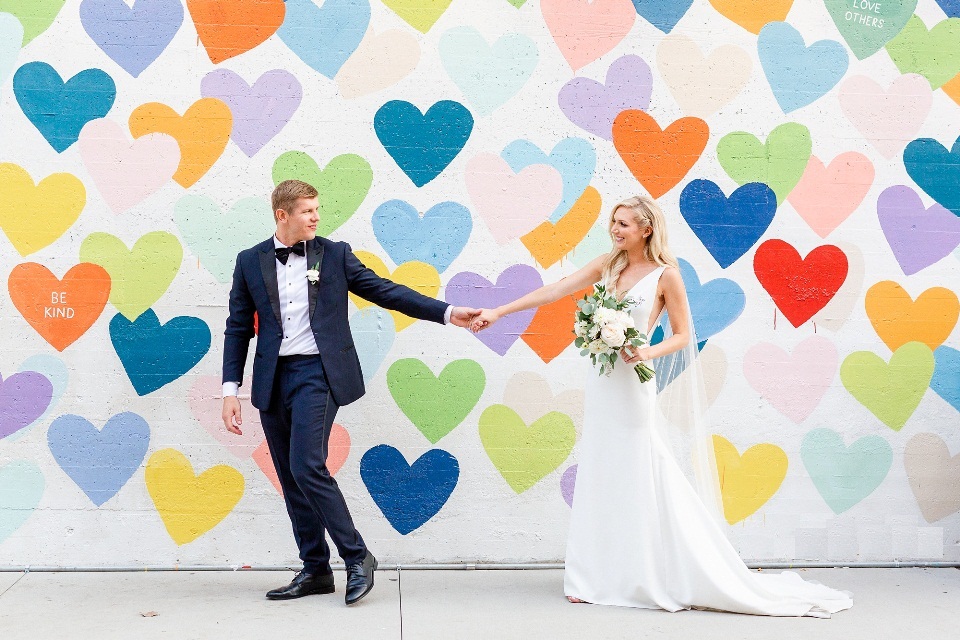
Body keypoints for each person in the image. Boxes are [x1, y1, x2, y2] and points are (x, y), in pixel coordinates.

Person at [471, 195, 853, 617]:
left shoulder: (666, 276)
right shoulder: (608, 264)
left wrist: (645, 353)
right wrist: (499, 311)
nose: (615, 230)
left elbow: (683, 335)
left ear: (646, 229)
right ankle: (589, 576)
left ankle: (649, 570)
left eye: (624, 225)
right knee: (600, 470)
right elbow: (556, 290)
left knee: (637, 468)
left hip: (633, 383)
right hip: (602, 381)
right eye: (613, 223)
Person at [222, 179, 478, 605]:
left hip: (318, 373)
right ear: (282, 215)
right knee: (290, 477)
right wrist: (230, 389)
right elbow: (237, 327)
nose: (316, 217)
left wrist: (448, 313)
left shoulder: (334, 255)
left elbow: (385, 291)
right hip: (272, 378)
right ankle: (316, 570)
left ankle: (357, 557)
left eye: (317, 209)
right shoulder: (250, 261)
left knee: (306, 466)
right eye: (308, 211)